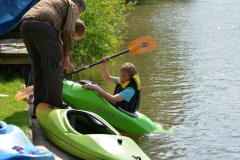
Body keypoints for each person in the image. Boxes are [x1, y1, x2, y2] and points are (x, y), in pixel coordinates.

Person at [20, 0, 86, 118]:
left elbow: (55, 36)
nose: (77, 16)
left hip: (25, 26)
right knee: (54, 69)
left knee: (39, 68)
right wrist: (66, 55)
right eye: (79, 13)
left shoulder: (54, 2)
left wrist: (63, 54)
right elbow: (68, 31)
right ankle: (56, 106)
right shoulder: (72, 5)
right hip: (43, 26)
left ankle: (38, 107)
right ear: (78, 6)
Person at [26, 19, 87, 104]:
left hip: (35, 37)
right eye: (74, 36)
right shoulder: (61, 30)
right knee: (36, 69)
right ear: (73, 31)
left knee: (39, 69)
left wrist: (66, 61)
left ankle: (39, 95)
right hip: (37, 42)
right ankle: (31, 96)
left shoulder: (63, 29)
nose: (73, 38)